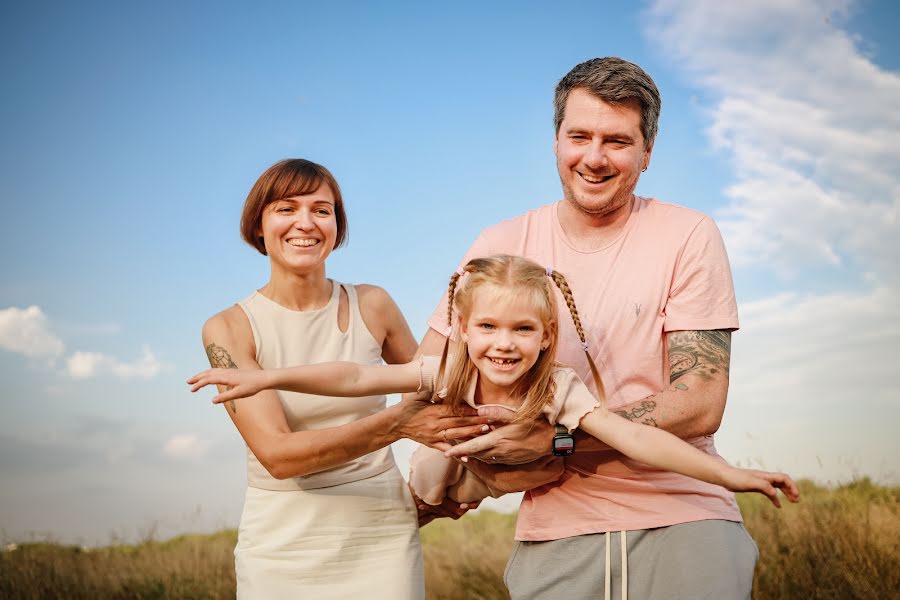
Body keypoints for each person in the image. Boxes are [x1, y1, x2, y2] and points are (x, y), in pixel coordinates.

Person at [413, 57, 767, 599]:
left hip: (684, 514)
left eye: (618, 141)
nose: (594, 158)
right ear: (556, 140)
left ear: (648, 152)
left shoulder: (688, 234)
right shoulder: (498, 244)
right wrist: (469, 464)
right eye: (578, 136)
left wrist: (553, 441)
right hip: (554, 530)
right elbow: (432, 377)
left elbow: (699, 400)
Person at [189, 254, 797, 516]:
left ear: (545, 334)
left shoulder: (557, 387)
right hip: (455, 463)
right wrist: (268, 374)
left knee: (549, 466)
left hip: (516, 468)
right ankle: (431, 508)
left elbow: (638, 439)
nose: (503, 344)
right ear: (462, 327)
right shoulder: (450, 369)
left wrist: (732, 474)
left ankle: (467, 493)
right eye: (487, 327)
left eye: (522, 329)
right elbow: (353, 375)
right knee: (429, 468)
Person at [197, 158, 487, 599]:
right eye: (286, 208)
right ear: (258, 224)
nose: (305, 223)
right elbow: (279, 456)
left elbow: (440, 396)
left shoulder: (374, 304)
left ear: (337, 224)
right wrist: (398, 424)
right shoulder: (229, 329)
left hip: (381, 533)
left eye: (321, 209)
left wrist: (449, 485)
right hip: (280, 544)